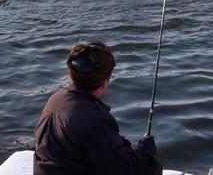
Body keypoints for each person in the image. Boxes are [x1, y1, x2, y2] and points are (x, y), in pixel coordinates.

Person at [34, 42, 162, 175]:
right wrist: (145, 152)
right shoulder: (95, 119)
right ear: (105, 81)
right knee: (150, 167)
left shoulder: (57, 98)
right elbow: (123, 171)